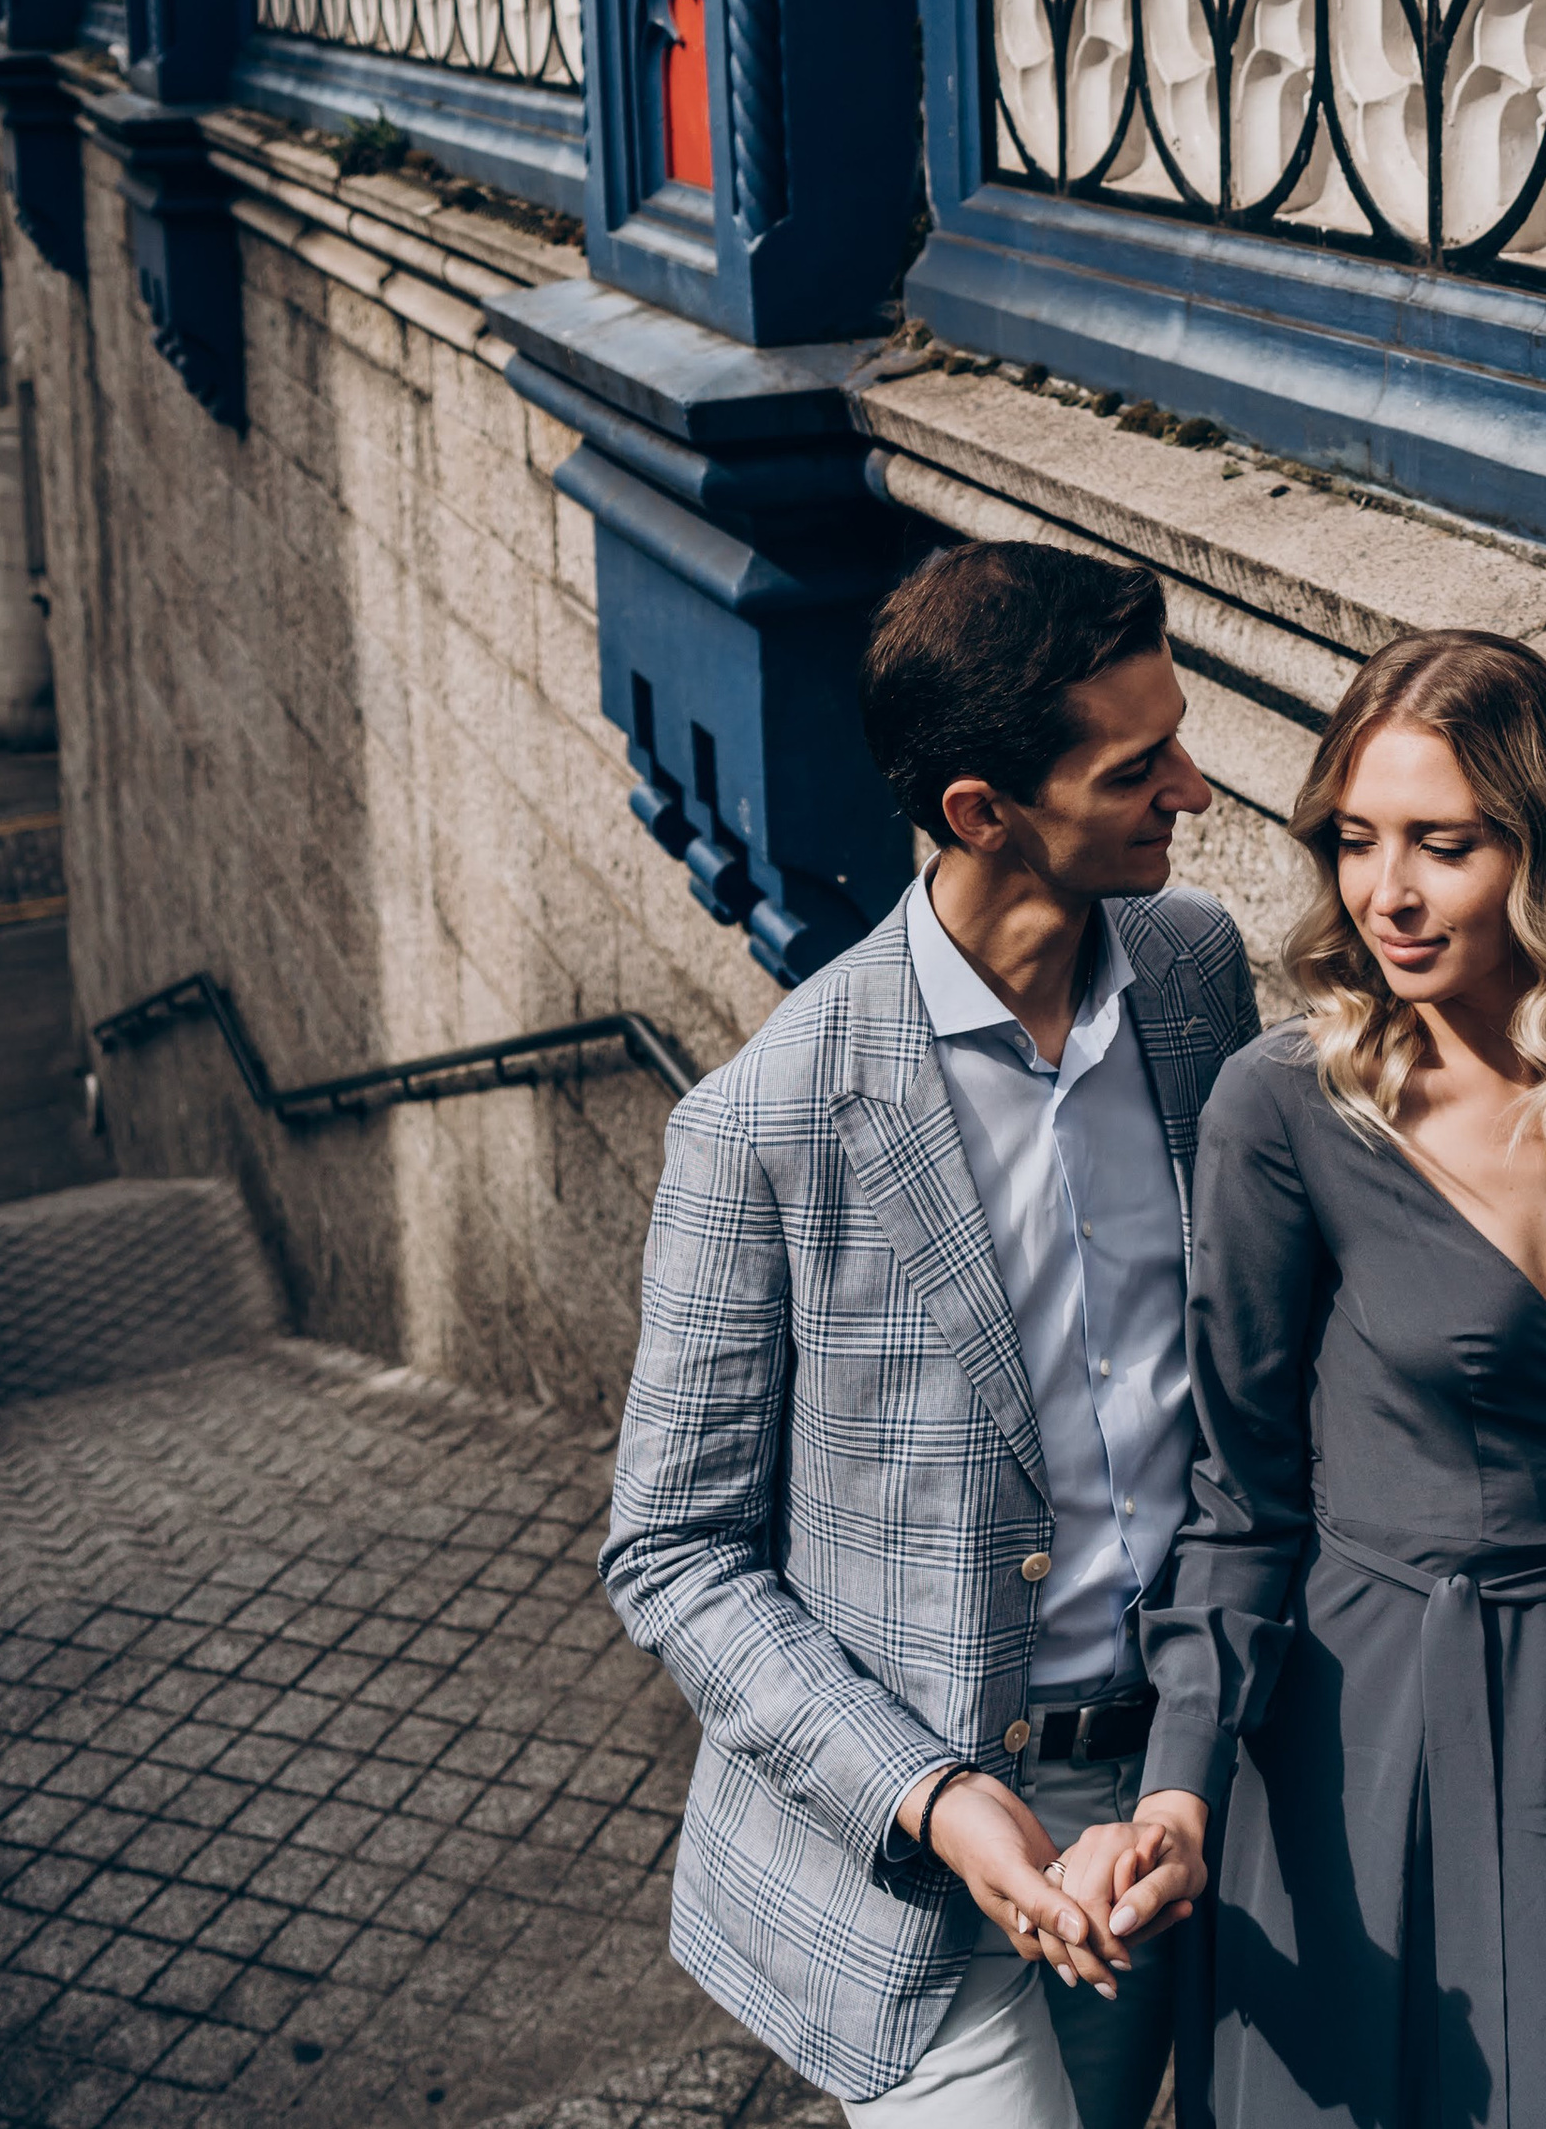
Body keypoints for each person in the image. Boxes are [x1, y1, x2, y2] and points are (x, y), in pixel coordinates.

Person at [600, 540, 1260, 2129]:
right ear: (982, 813)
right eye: (1137, 764)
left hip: (1159, 1793)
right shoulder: (763, 1121)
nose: (1195, 783)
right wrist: (938, 1796)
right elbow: (672, 1550)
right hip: (910, 1869)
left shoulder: (1194, 974)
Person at [1072, 628, 1546, 2129]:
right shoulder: (1288, 1105)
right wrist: (1179, 1786)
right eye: (1358, 840)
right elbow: (1236, 1495)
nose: (1389, 891)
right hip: (1355, 1738)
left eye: (1445, 843)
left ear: (1545, 846)